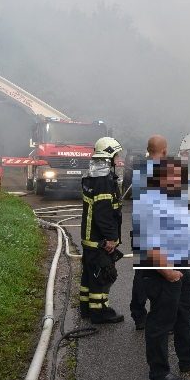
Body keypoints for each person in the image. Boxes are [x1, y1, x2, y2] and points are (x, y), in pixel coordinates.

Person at [133, 157, 190, 380]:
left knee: (185, 312)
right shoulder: (149, 202)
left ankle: (188, 358)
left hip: (181, 266)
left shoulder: (175, 199)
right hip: (161, 270)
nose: (177, 179)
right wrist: (166, 271)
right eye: (171, 175)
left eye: (179, 175)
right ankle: (158, 373)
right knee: (160, 322)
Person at [79, 136, 125, 324]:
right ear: (108, 156)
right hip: (100, 241)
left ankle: (86, 308)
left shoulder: (91, 177)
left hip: (89, 238)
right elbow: (104, 214)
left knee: (89, 275)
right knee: (102, 276)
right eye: (116, 155)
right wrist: (111, 238)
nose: (117, 159)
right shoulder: (104, 181)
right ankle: (99, 312)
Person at [129, 135, 168, 330]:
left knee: (143, 276)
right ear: (165, 150)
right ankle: (154, 318)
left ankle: (140, 316)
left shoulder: (140, 171)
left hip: (141, 233)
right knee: (154, 277)